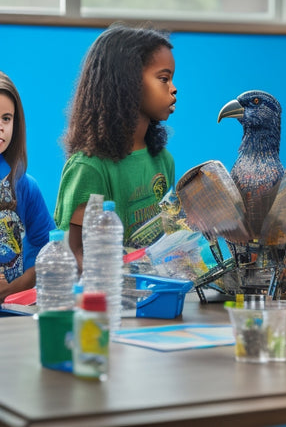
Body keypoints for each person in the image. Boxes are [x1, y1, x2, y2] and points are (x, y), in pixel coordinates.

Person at [54, 24, 177, 271]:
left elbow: (170, 238)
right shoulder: (89, 168)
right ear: (127, 83)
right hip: (110, 302)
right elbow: (74, 253)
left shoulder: (163, 160)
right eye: (163, 78)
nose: (173, 88)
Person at [0, 71, 55, 303]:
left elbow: (52, 256)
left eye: (6, 118)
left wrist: (13, 288)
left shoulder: (25, 186)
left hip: (12, 318)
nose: (1, 127)